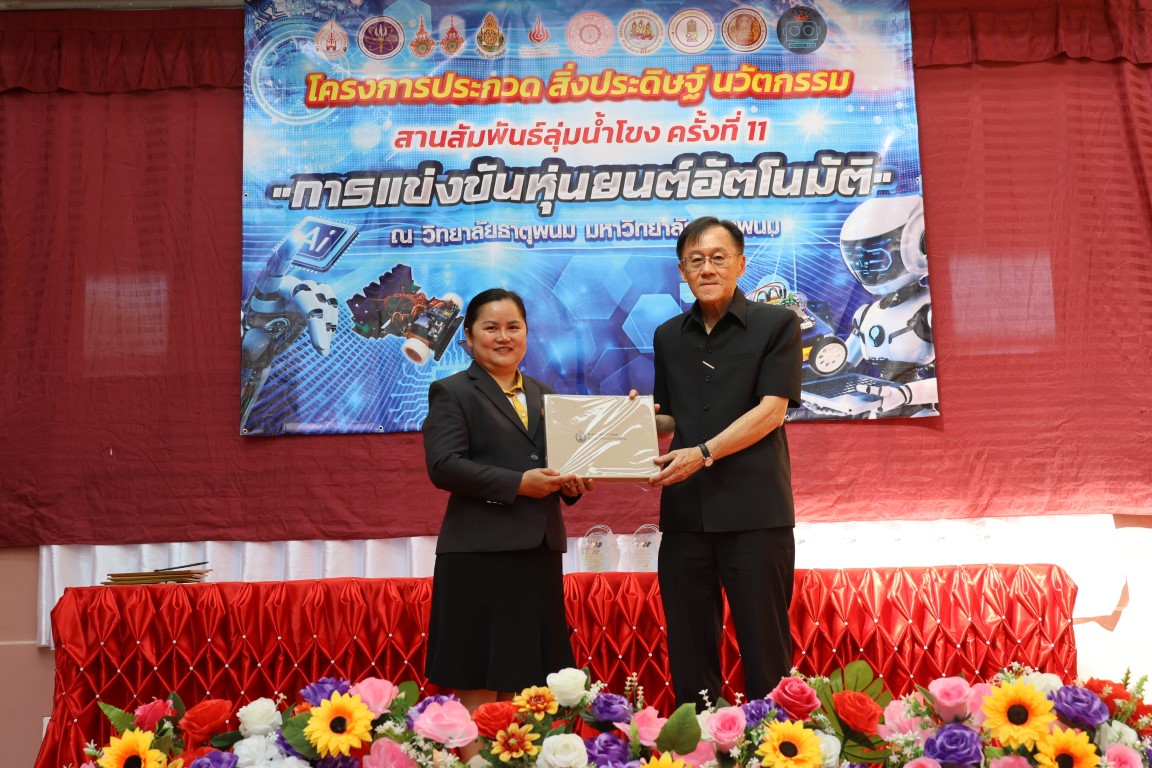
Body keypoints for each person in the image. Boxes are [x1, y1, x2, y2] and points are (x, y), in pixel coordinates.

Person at [645, 217, 802, 709]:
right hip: (686, 514)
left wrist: (704, 453)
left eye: (718, 258)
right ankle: (698, 743)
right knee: (689, 648)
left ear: (740, 264)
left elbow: (771, 412)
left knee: (765, 646)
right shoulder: (668, 335)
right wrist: (628, 423)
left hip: (755, 512)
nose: (707, 268)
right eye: (696, 260)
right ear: (682, 270)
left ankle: (774, 743)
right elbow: (669, 417)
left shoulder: (777, 325)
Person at [422, 288, 594, 725]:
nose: (503, 337)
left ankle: (514, 753)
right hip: (479, 555)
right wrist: (518, 484)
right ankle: (477, 754)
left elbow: (559, 465)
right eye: (491, 328)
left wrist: (573, 481)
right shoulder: (452, 391)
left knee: (527, 680)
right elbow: (444, 466)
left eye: (513, 327)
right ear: (468, 336)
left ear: (526, 333)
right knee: (478, 676)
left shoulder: (545, 395)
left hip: (536, 554)